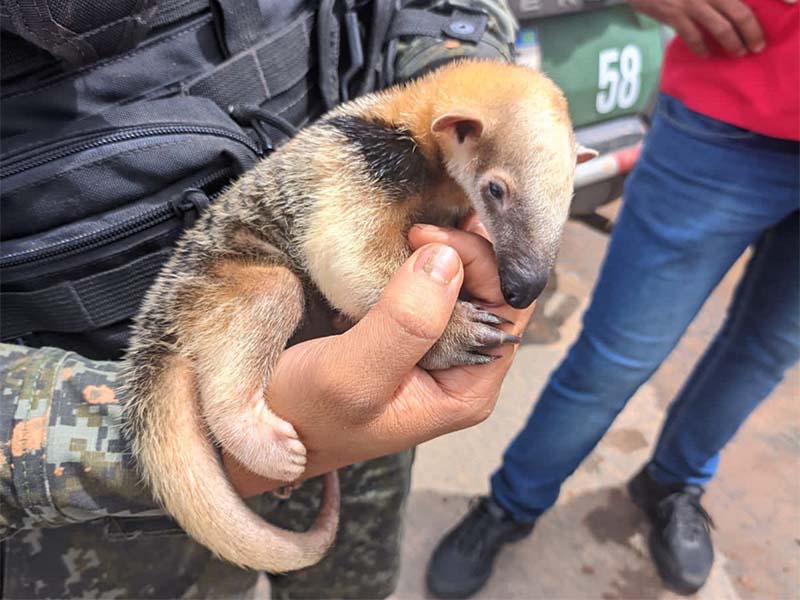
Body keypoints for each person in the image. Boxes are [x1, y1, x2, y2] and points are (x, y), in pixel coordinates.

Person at [0, 2, 523, 598]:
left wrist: (473, 97)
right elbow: (349, 270)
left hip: (355, 378)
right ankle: (235, 407)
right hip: (95, 450)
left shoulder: (453, 145)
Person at [426, 0, 800, 597]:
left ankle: (673, 483)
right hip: (729, 110)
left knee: (766, 353)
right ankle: (511, 503)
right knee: (616, 356)